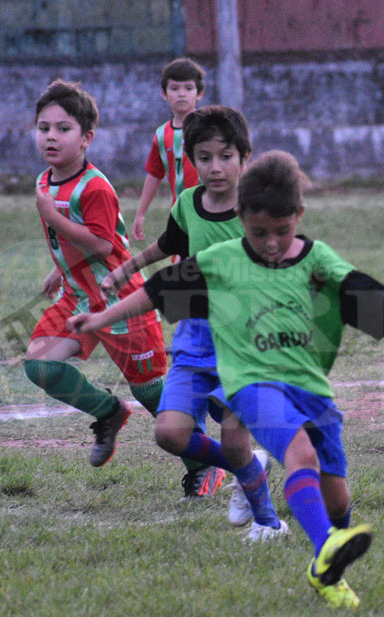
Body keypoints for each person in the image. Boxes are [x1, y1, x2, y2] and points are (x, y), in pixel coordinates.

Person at [69, 150, 384, 608]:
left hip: (310, 389)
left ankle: (328, 568)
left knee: (336, 501)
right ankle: (323, 548)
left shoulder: (315, 259)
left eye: (282, 231)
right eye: (258, 231)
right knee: (299, 455)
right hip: (251, 386)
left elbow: (364, 291)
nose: (270, 243)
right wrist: (99, 319)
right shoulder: (221, 261)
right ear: (242, 218)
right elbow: (156, 291)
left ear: (299, 216)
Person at [101, 105, 285, 538]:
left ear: (244, 157)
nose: (215, 167)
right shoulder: (188, 203)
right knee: (169, 433)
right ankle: (250, 468)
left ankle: (268, 524)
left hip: (245, 339)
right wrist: (128, 268)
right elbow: (170, 244)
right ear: (191, 160)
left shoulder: (257, 208)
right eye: (204, 157)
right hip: (194, 336)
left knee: (234, 430)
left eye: (225, 156)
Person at [26, 78, 166, 467]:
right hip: (77, 295)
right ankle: (108, 412)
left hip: (120, 298)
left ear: (87, 138)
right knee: (41, 365)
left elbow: (103, 245)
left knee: (152, 393)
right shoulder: (44, 179)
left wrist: (52, 216)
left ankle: (203, 463)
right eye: (44, 128)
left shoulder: (95, 188)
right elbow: (69, 239)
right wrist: (60, 270)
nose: (51, 137)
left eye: (63, 129)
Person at [131, 57, 207, 240]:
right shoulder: (162, 135)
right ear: (164, 94)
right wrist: (140, 213)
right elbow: (154, 175)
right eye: (175, 88)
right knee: (181, 263)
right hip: (180, 214)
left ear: (199, 93)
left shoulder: (208, 127)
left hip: (208, 210)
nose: (181, 94)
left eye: (188, 88)